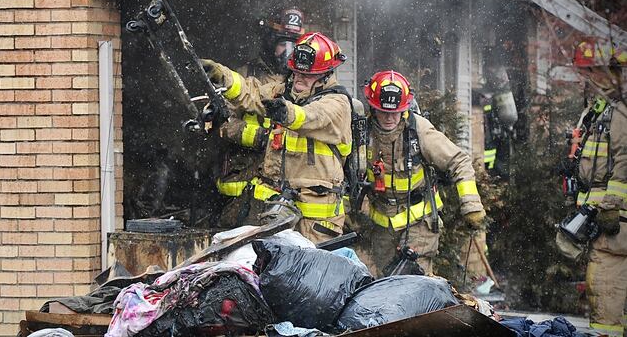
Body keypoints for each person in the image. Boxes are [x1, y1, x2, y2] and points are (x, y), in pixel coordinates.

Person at [203, 32, 352, 243]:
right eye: (296, 72)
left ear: (325, 75)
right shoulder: (284, 91)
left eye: (307, 75)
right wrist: (223, 76)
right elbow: (251, 93)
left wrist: (285, 112)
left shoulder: (338, 103)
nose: (299, 78)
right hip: (276, 209)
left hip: (315, 222)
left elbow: (310, 116)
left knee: (309, 271)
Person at [360, 70, 486, 276]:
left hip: (419, 223)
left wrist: (471, 205)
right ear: (373, 109)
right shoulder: (363, 133)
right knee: (386, 286)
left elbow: (459, 161)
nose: (390, 117)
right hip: (382, 226)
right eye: (383, 112)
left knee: (412, 281)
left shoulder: (418, 131)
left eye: (396, 112)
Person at [215, 8, 305, 227]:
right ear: (270, 42)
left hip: (285, 178)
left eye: (294, 46)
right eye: (283, 44)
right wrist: (259, 137)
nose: (288, 52)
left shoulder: (302, 82)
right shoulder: (246, 75)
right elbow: (222, 123)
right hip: (245, 174)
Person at [568, 40, 626, 335]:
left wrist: (611, 205)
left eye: (593, 71)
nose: (588, 78)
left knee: (604, 294)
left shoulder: (620, 112)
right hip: (601, 221)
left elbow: (623, 162)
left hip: (615, 226)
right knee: (604, 296)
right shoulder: (600, 109)